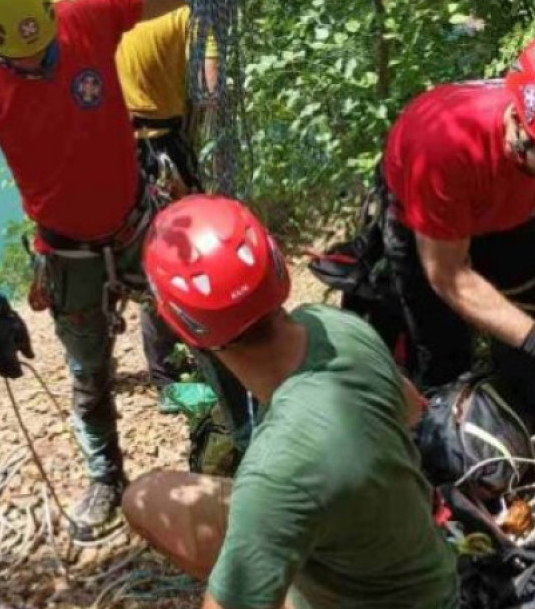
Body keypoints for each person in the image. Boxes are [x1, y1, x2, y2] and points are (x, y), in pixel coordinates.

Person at [0, 0, 188, 539]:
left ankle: (243, 437)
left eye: (45, 50)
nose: (38, 63)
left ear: (50, 10)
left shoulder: (88, 16)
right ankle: (106, 475)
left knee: (203, 328)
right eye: (21, 60)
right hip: (68, 253)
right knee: (88, 372)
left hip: (137, 222)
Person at [124, 195, 460, 609]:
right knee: (145, 495)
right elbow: (411, 411)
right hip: (428, 570)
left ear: (185, 329)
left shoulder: (275, 471)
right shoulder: (334, 326)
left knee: (147, 500)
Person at [381, 27, 535, 432]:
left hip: (513, 213)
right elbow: (448, 274)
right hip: (430, 223)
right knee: (445, 357)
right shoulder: (446, 146)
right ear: (519, 123)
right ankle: (449, 467)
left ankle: (524, 452)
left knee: (526, 365)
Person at [55, 0, 221, 406]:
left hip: (85, 150)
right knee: (169, 255)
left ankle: (89, 373)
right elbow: (210, 88)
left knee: (84, 256)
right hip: (160, 145)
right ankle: (170, 378)